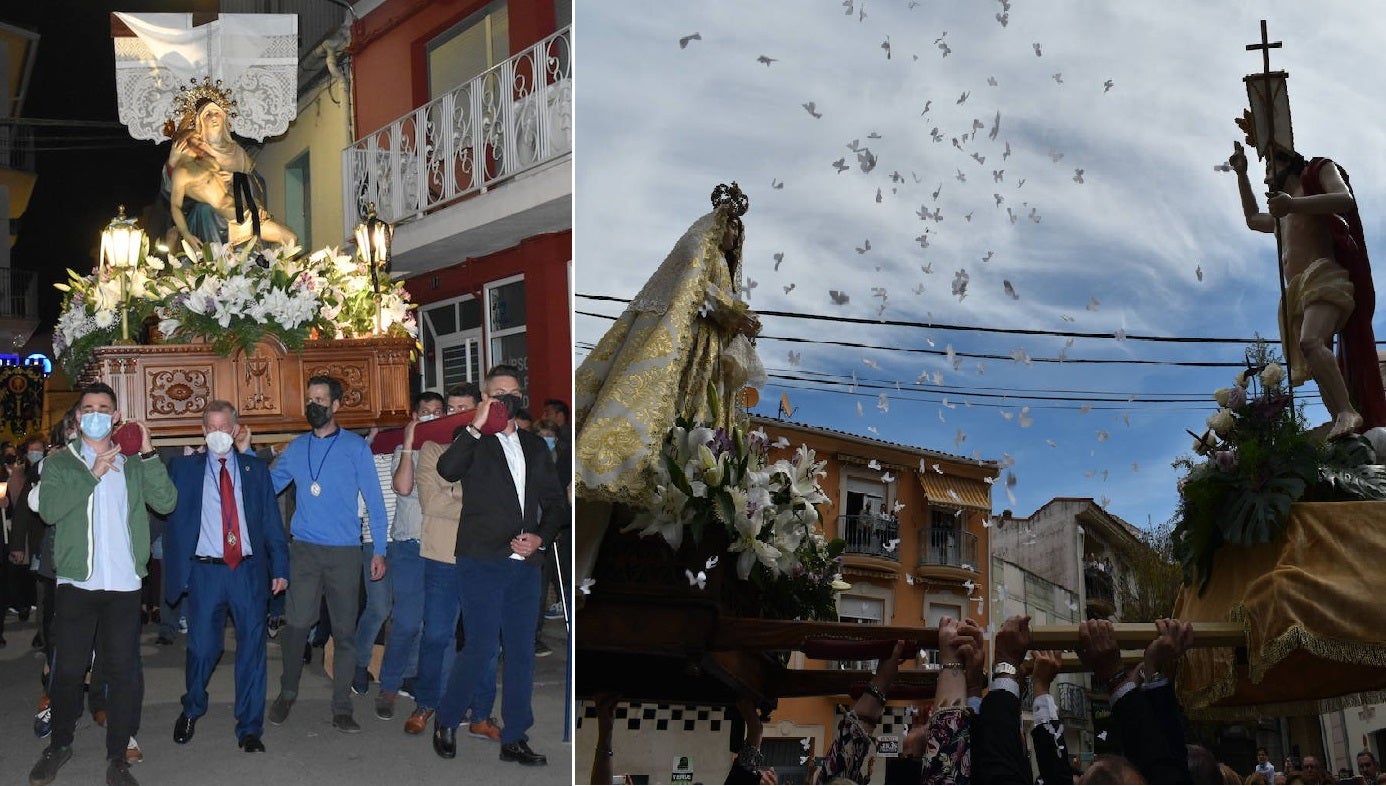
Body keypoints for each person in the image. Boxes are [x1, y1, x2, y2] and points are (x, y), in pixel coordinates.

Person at [574, 183, 763, 587]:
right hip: (689, 349)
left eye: (738, 231)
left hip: (708, 356)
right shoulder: (699, 246)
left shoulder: (727, 268)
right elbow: (691, 292)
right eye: (730, 226)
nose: (734, 235)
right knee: (676, 416)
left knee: (709, 421)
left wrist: (739, 325)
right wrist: (733, 314)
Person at [29, 383, 177, 786]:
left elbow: (166, 503)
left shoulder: (132, 462)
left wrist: (148, 454)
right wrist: (91, 475)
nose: (96, 413)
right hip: (78, 583)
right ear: (78, 417)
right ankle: (59, 745)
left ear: (115, 416)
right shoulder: (60, 463)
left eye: (104, 408)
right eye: (88, 408)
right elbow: (50, 510)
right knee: (68, 671)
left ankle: (118, 757)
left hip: (124, 584)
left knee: (124, 671)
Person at [432, 364, 568, 766]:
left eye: (513, 394)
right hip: (481, 559)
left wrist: (540, 537)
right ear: (485, 398)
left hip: (525, 564)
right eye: (497, 394)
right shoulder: (470, 438)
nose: (506, 400)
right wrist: (475, 425)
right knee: (480, 645)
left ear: (521, 398)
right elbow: (447, 470)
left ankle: (515, 737)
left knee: (522, 651)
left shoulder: (533, 445)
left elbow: (557, 503)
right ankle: (448, 717)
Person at [1229, 138, 1386, 438]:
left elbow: (1344, 199)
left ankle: (1347, 412)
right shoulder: (1282, 214)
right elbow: (1252, 219)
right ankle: (1345, 425)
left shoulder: (1315, 177)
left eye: (1271, 165)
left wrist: (1293, 204)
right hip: (1298, 292)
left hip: (1324, 276)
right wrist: (1241, 174)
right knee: (1315, 362)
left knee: (1311, 342)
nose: (1267, 175)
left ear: (1289, 161)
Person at [165, 400, 289, 752]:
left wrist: (280, 566)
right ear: (203, 431)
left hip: (248, 571)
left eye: (225, 427)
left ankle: (250, 727)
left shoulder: (255, 470)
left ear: (236, 429)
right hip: (206, 571)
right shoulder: (183, 469)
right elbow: (168, 517)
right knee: (203, 648)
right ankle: (192, 706)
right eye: (212, 427)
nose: (219, 433)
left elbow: (270, 523)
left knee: (253, 650)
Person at [267, 375, 389, 733]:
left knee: (344, 630)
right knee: (297, 627)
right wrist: (244, 456)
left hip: (345, 552)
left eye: (321, 399)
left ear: (336, 405)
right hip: (304, 550)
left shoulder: (354, 447)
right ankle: (287, 692)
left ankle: (341, 705)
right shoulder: (296, 446)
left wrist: (378, 549)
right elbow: (266, 487)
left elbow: (376, 502)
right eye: (310, 398)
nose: (314, 404)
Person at [400, 383, 500, 740]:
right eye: (452, 408)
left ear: (479, 411)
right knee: (438, 635)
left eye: (465, 408)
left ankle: (482, 713)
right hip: (442, 557)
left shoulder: (494, 449)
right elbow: (433, 503)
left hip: (485, 558)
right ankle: (427, 703)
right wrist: (480, 506)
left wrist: (465, 500)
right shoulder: (432, 449)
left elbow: (502, 505)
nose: (458, 414)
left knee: (483, 640)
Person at [372, 391, 443, 720]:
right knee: (405, 622)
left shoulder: (452, 448)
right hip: (409, 546)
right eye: (424, 411)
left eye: (437, 412)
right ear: (414, 415)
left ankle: (420, 682)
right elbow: (402, 487)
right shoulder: (404, 448)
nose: (430, 416)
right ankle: (389, 684)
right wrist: (411, 442)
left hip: (442, 547)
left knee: (434, 623)